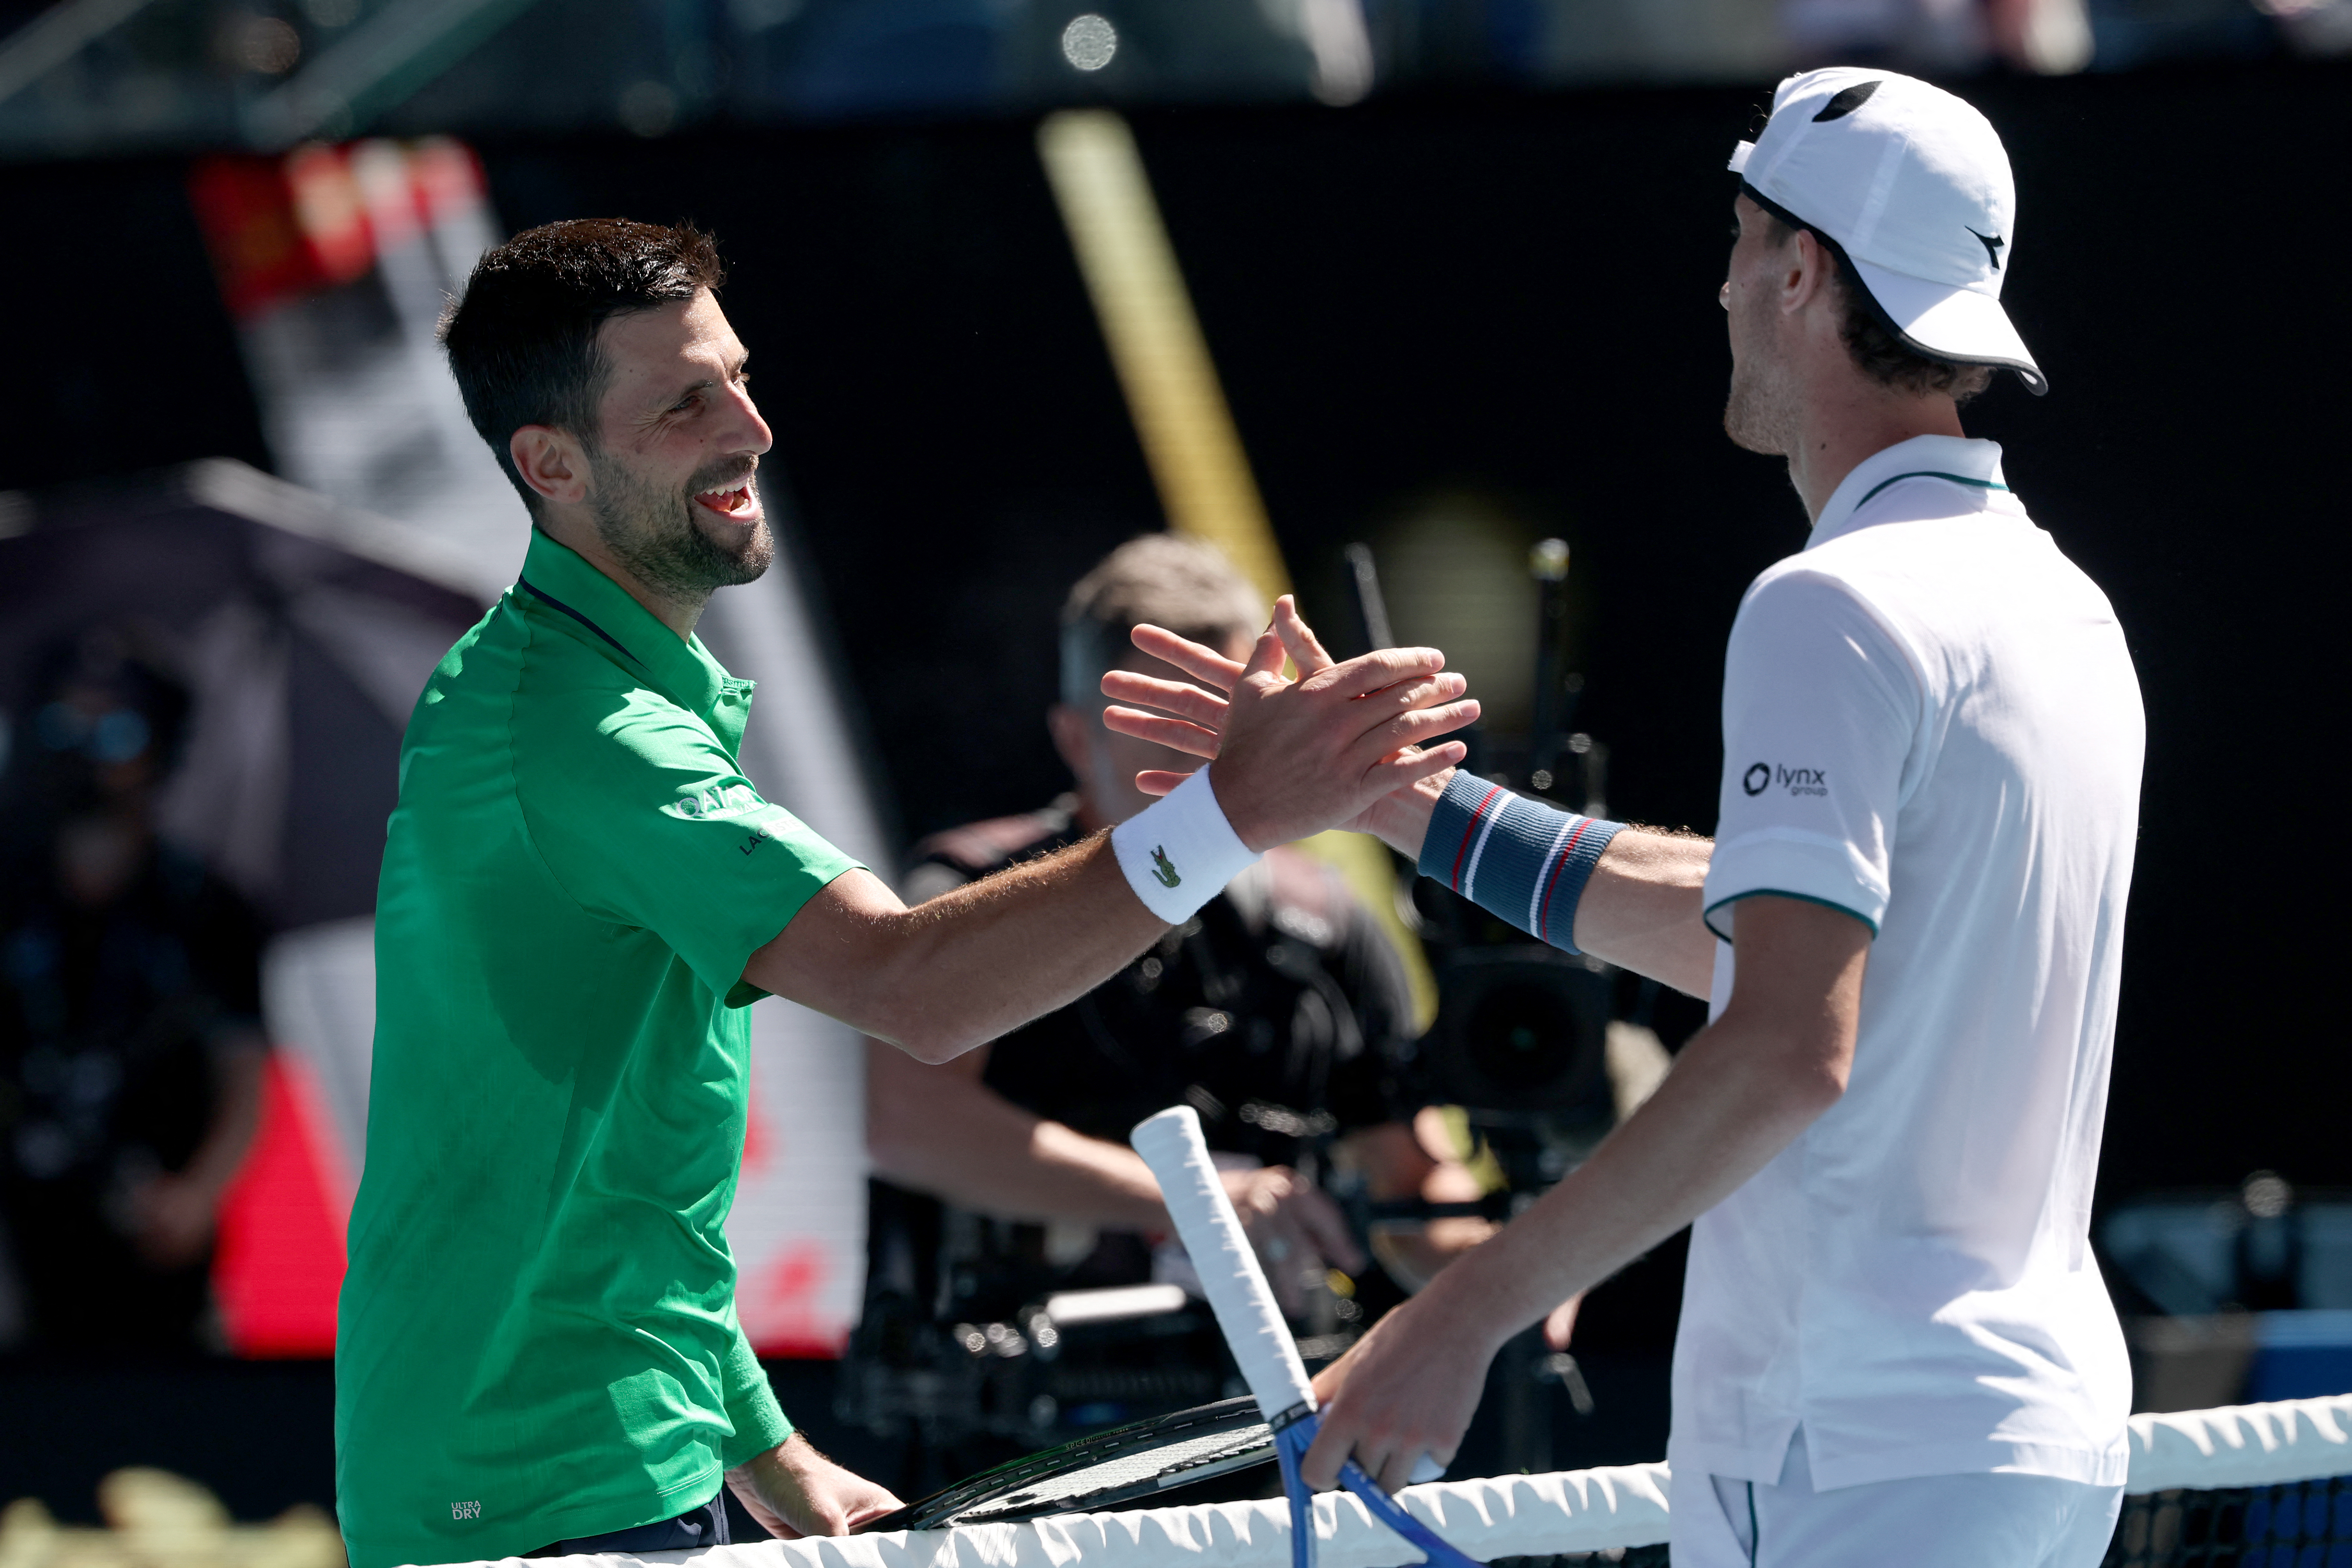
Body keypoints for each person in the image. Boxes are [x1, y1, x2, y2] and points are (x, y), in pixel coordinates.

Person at [1107, 68, 2141, 1568]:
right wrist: (1391, 795)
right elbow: (1778, 940)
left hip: (1858, 1450)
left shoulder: (1832, 606)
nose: (1721, 286)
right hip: (2022, 1441)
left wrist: (1457, 1314)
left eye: (1739, 239)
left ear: (1800, 270)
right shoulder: (2064, 609)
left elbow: (1788, 1040)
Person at [333, 218, 1479, 1568]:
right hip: (533, 1493)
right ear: (551, 465)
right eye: (685, 403)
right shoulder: (583, 735)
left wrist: (771, 1451)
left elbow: (616, 1192)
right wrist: (1230, 809)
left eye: (739, 377)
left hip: (591, 1460)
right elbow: (912, 991)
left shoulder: (565, 691)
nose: (750, 428)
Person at [857, 534, 1491, 1485]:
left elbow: (1412, 1187)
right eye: (1167, 727)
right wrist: (1198, 1202)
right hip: (1009, 1462)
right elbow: (910, 1125)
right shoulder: (973, 893)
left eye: (1229, 725)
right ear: (1075, 738)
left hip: (1269, 1446)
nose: (1209, 764)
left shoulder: (1326, 925)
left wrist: (1514, 1271)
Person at [0, 632, 268, 1354]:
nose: (88, 756)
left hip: (161, 1254)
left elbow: (245, 1075)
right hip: (21, 1264)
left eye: (117, 732)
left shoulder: (205, 909)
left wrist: (198, 1196)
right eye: (64, 728)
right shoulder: (13, 896)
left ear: (162, 748)